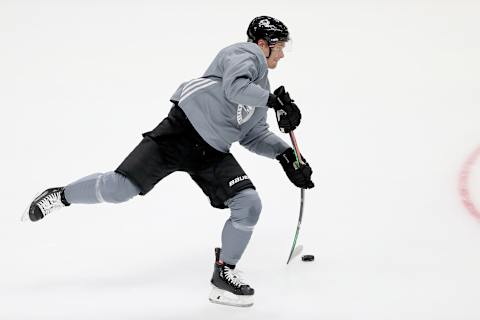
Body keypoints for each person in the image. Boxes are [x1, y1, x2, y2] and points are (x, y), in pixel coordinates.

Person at [24, 15, 314, 307]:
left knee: (248, 203)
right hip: (181, 131)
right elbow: (234, 89)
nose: (282, 53)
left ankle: (224, 273)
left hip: (211, 152)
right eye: (279, 46)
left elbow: (253, 135)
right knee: (119, 188)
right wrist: (273, 102)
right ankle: (60, 196)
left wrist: (285, 155)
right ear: (263, 44)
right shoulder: (243, 53)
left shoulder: (261, 88)